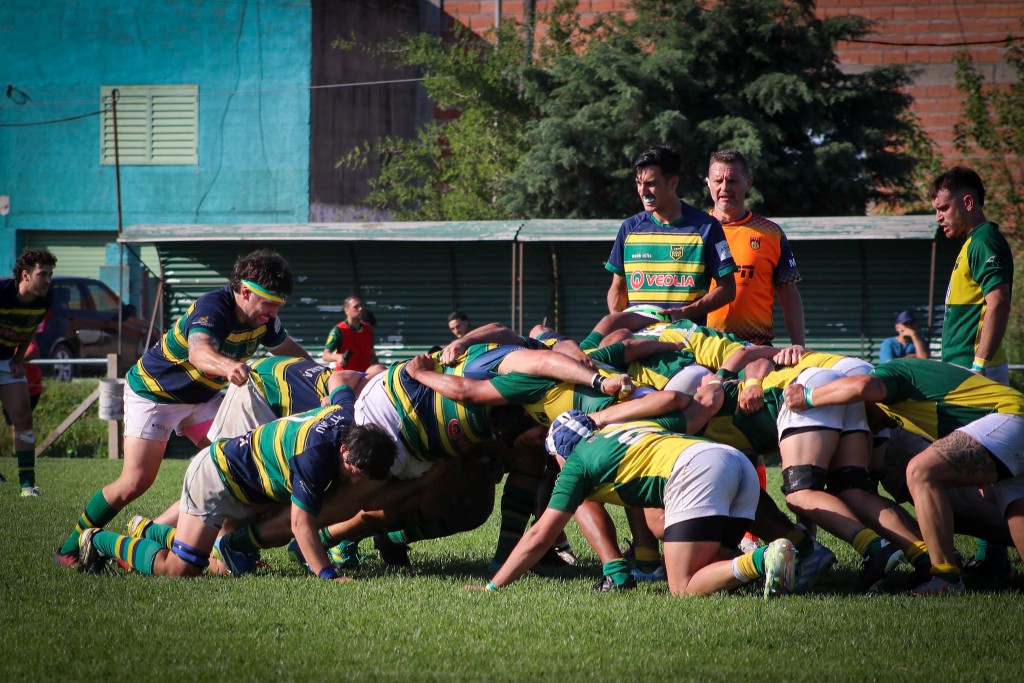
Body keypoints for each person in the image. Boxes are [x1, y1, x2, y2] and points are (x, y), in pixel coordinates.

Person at [55, 249, 310, 565]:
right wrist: (226, 365)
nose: (272, 313)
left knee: (240, 470)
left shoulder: (264, 319)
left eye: (277, 306)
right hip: (155, 394)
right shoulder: (215, 307)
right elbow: (199, 352)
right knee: (135, 482)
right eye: (269, 304)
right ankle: (70, 548)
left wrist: (317, 377)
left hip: (201, 400)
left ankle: (165, 534)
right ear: (246, 291)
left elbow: (287, 351)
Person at [78, 391, 397, 580]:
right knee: (182, 569)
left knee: (235, 568)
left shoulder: (345, 419)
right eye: (354, 471)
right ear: (344, 450)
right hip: (217, 478)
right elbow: (300, 525)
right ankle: (100, 540)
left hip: (246, 484)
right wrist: (329, 576)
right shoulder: (316, 455)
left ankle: (149, 531)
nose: (354, 481)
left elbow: (341, 384)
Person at [473, 413, 798, 598]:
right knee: (710, 567)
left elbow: (540, 535)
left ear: (560, 451)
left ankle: (764, 557)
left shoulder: (576, 464)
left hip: (697, 470)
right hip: (732, 460)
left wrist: (493, 586)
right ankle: (773, 565)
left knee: (682, 587)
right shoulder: (623, 431)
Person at [783, 357, 1024, 595]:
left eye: (860, 417)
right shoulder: (910, 407)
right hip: (1007, 425)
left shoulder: (892, 371)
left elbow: (863, 387)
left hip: (1008, 417)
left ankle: (945, 577)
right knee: (1014, 511)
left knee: (921, 473)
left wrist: (806, 397)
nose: (869, 429)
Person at [930, 165, 1014, 575]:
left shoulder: (985, 240)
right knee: (979, 469)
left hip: (975, 376)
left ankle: (992, 555)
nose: (939, 217)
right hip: (964, 373)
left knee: (983, 466)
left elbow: (998, 302)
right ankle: (991, 555)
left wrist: (978, 367)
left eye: (944, 208)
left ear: (968, 202)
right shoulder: (971, 243)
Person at [606, 145, 737, 323]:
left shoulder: (707, 227)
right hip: (639, 340)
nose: (643, 191)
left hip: (685, 341)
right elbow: (618, 288)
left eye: (651, 184)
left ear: (673, 183)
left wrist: (685, 312)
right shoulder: (629, 228)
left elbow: (728, 290)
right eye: (639, 183)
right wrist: (617, 321)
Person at [704, 150, 805, 346]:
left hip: (756, 348)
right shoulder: (696, 231)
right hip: (703, 347)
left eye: (732, 181)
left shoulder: (770, 233)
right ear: (708, 182)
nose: (724, 187)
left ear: (748, 182)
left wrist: (799, 346)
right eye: (718, 181)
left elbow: (789, 295)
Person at [0, 248, 56, 496]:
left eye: (50, 274)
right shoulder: (2, 293)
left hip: (6, 360)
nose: (47, 281)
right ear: (25, 275)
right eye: (42, 274)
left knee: (23, 418)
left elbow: (30, 328)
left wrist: (19, 358)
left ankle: (27, 486)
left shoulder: (44, 299)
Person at [323, 295, 377, 372]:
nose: (360, 309)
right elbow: (326, 356)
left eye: (361, 306)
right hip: (346, 377)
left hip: (365, 377)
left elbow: (371, 352)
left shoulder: (368, 329)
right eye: (356, 307)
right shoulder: (339, 330)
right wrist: (338, 357)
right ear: (346, 310)